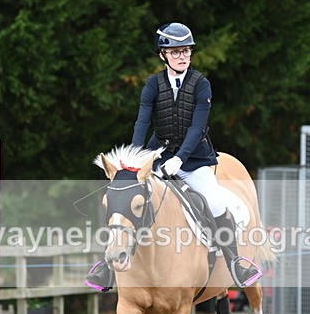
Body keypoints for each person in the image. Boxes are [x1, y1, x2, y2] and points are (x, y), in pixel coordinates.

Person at [86, 22, 262, 292]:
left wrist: (180, 159)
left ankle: (236, 262)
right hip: (158, 157)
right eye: (176, 51)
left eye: (187, 51)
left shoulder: (201, 85)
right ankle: (108, 267)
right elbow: (142, 122)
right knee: (124, 198)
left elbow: (197, 127)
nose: (183, 56)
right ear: (163, 55)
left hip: (195, 161)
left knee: (215, 202)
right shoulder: (152, 85)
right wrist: (134, 160)